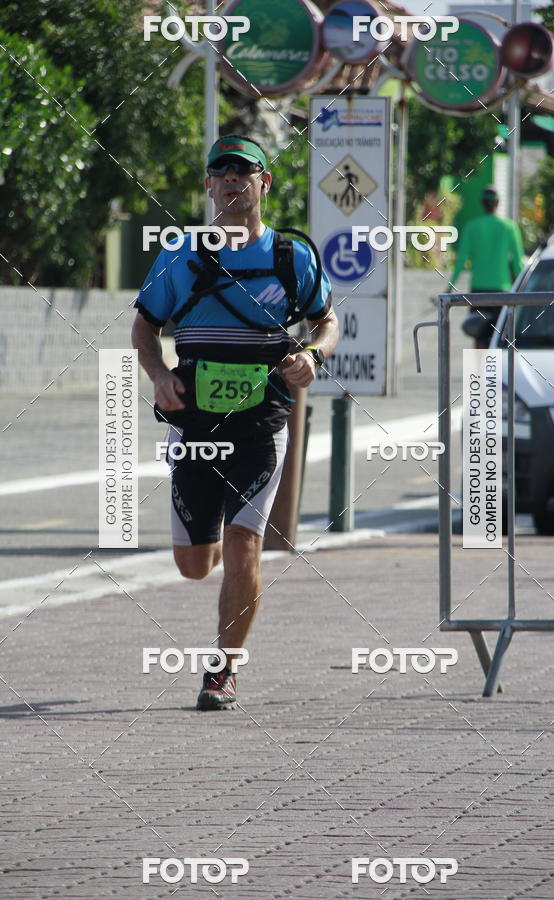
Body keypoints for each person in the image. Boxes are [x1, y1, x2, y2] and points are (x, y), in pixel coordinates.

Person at [131, 134, 339, 711]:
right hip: (193, 424)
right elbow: (144, 328)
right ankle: (212, 546)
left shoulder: (290, 258)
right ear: (207, 184)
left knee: (245, 547)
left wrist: (312, 356)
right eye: (220, 172)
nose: (231, 180)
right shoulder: (180, 254)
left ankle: (221, 673)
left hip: (262, 423)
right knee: (196, 565)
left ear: (263, 183)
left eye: (244, 171)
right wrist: (159, 374)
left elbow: (328, 320)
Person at [448, 185, 525, 347]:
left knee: (478, 335)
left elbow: (461, 260)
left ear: (482, 203)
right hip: (502, 291)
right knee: (497, 338)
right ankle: (493, 372)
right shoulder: (509, 227)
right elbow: (518, 264)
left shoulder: (472, 226)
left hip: (478, 291)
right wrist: (523, 288)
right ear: (498, 203)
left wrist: (450, 286)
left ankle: (475, 372)